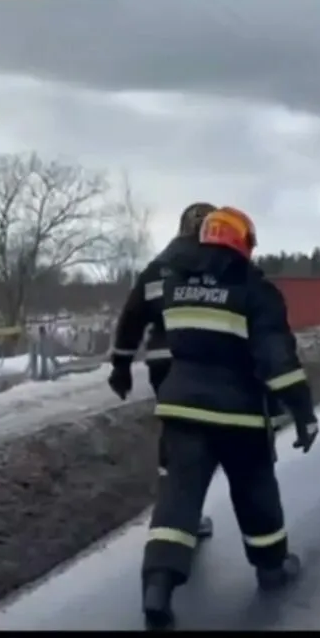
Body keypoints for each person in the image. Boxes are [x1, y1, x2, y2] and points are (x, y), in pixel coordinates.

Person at [139, 206, 319, 630]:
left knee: (177, 499)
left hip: (182, 410)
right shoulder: (255, 290)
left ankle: (158, 587)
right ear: (244, 244)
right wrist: (303, 412)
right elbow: (279, 361)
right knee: (254, 489)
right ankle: (272, 568)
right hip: (239, 415)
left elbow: (161, 336)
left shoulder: (176, 285)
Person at [109, 202, 218, 539]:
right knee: (205, 434)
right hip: (205, 362)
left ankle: (171, 505)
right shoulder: (222, 266)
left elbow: (132, 318)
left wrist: (121, 366)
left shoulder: (158, 269)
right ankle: (189, 511)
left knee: (176, 431)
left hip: (162, 363)